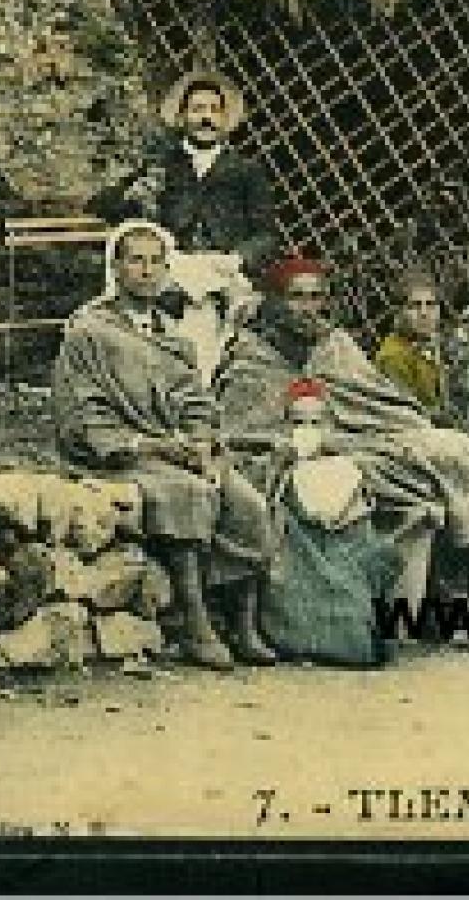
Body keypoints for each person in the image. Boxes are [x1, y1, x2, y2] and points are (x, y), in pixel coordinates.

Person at [216, 255, 469, 640]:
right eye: (297, 297)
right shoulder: (252, 357)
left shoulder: (336, 345)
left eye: (316, 297)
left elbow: (379, 400)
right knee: (401, 468)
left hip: (367, 437)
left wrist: (410, 427)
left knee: (453, 449)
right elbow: (239, 427)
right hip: (295, 451)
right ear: (275, 302)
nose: (308, 307)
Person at [49, 219, 278, 670]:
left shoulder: (173, 338)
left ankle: (245, 624)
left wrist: (201, 443)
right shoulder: (88, 333)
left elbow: (196, 401)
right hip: (120, 454)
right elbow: (81, 415)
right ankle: (196, 624)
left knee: (246, 500)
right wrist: (148, 447)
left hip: (178, 452)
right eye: (136, 261)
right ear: (116, 268)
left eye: (157, 262)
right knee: (185, 493)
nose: (147, 271)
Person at [87, 69, 281, 382]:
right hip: (172, 267)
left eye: (214, 111)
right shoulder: (162, 165)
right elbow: (103, 208)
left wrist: (237, 259)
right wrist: (133, 191)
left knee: (215, 305)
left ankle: (199, 382)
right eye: (197, 110)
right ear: (182, 117)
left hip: (223, 269)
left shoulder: (246, 170)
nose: (206, 118)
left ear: (225, 119)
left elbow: (267, 235)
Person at [249, 377, 403, 667]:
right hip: (297, 556)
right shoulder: (277, 467)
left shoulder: (346, 468)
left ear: (329, 426)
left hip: (343, 552)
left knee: (353, 608)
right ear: (285, 426)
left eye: (315, 423)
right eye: (298, 422)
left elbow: (358, 521)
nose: (306, 431)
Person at [373, 268, 456, 425]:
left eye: (430, 305)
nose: (424, 313)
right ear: (399, 312)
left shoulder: (428, 344)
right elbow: (410, 414)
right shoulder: (394, 356)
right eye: (414, 306)